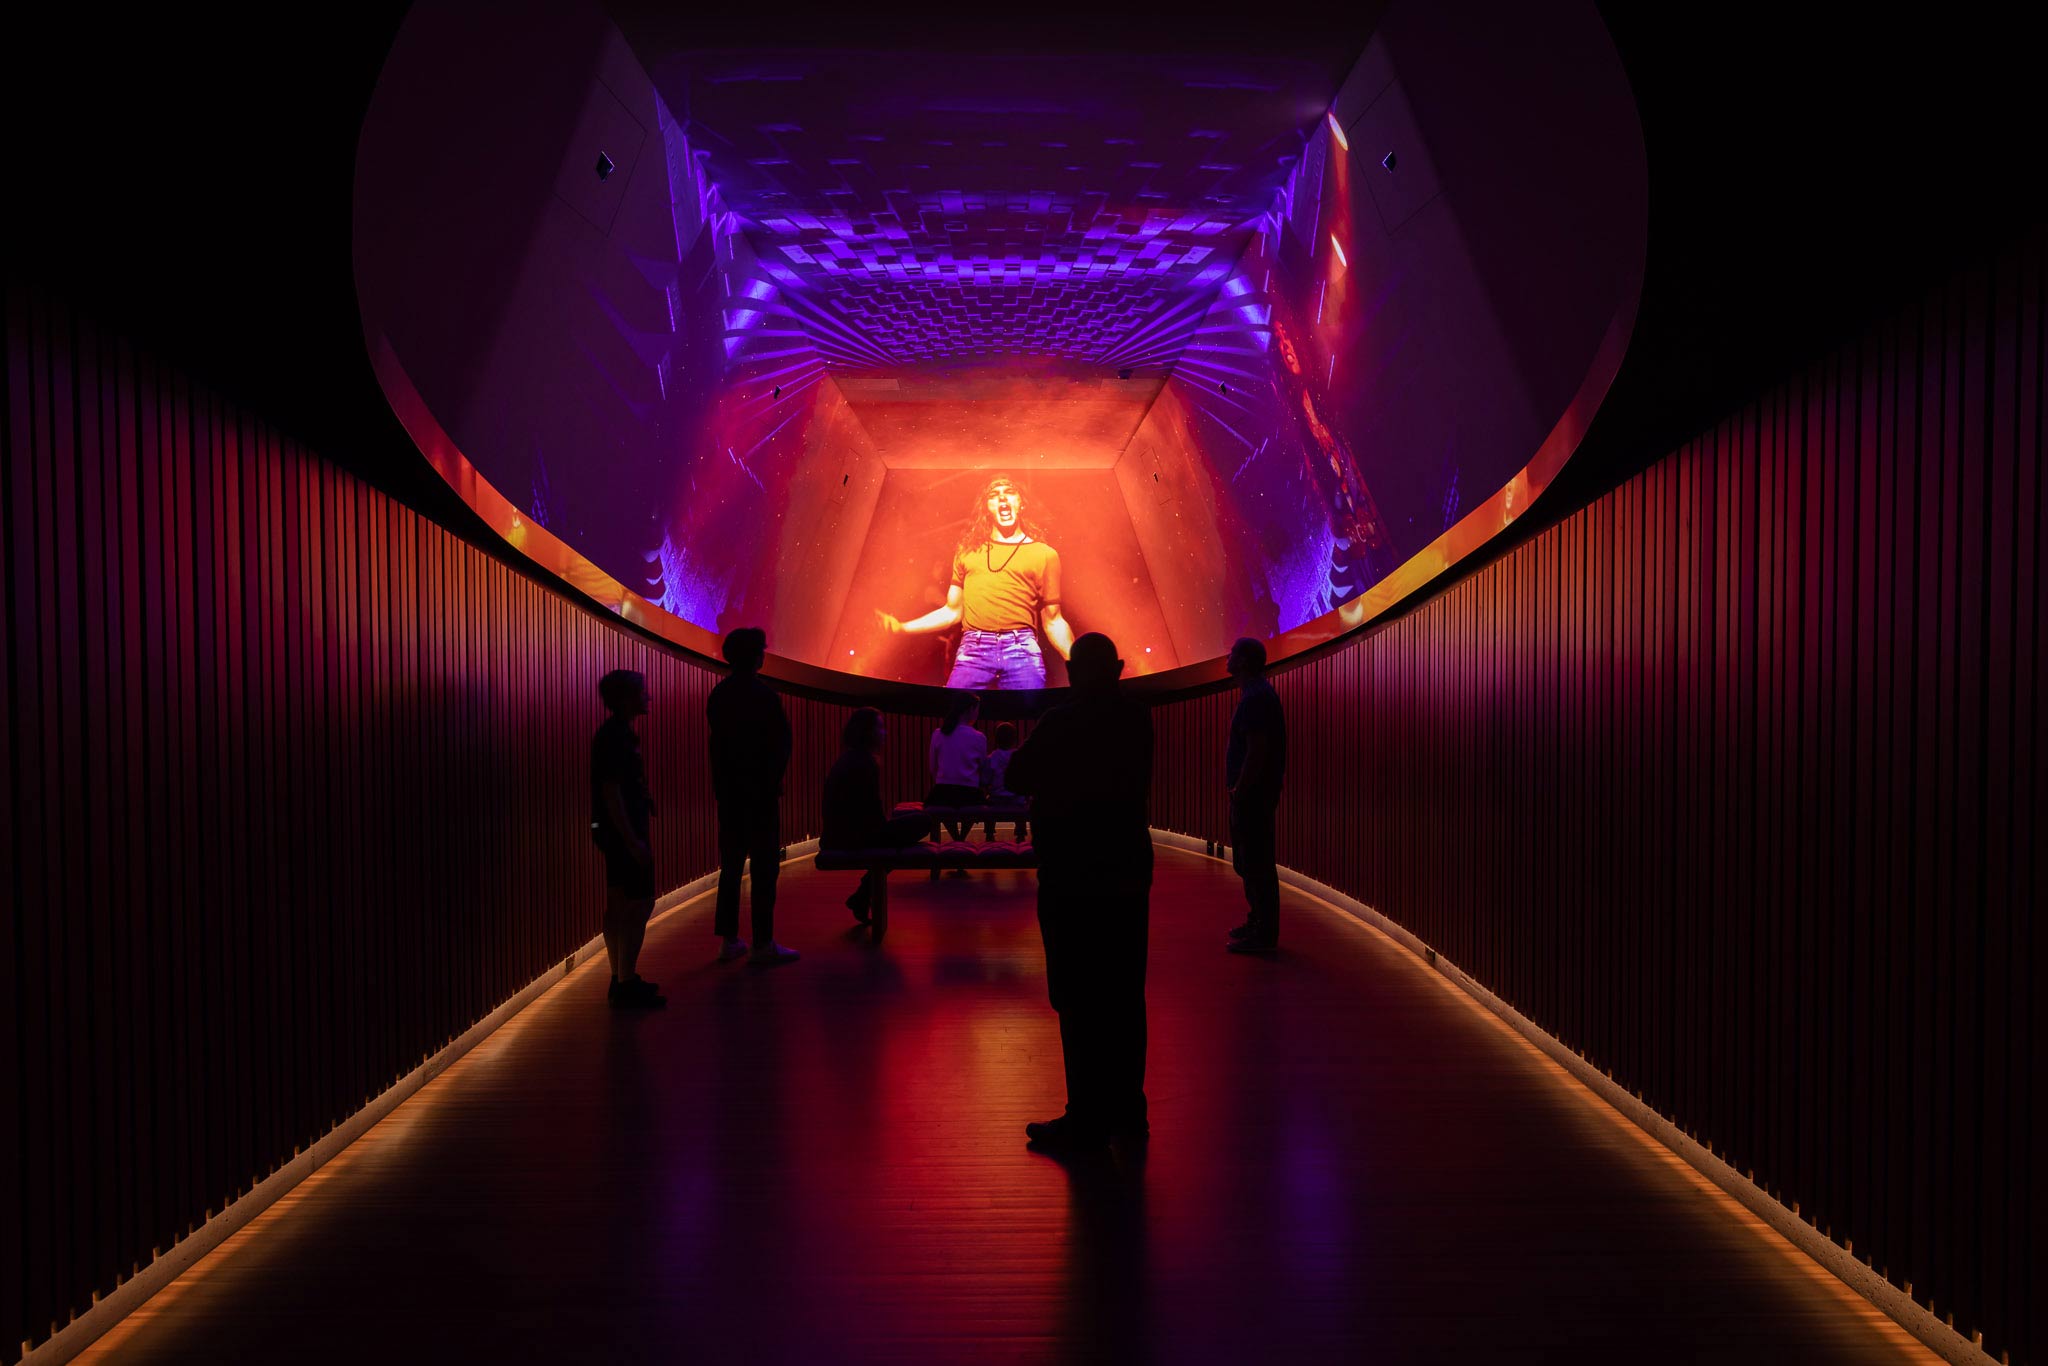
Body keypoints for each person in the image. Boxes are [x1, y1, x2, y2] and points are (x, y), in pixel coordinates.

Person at [1005, 632, 1153, 1153]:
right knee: (1123, 995)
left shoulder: (1060, 723)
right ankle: (1130, 1112)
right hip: (1128, 872)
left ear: (1071, 671)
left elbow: (1017, 773)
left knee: (1077, 996)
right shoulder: (1137, 720)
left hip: (1070, 877)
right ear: (1116, 668)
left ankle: (1085, 1119)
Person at [877, 475, 1075, 688]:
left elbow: (1054, 620)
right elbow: (952, 611)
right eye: (994, 495)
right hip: (974, 649)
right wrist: (902, 628)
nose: (1002, 499)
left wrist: (1080, 663)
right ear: (987, 507)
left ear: (1021, 503)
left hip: (1022, 649)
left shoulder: (1045, 554)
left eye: (1009, 492)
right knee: (955, 714)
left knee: (1026, 718)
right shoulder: (968, 551)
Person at [706, 627, 799, 966]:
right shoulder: (765, 696)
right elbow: (780, 745)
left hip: (730, 795)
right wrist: (773, 781)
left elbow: (718, 749)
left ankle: (728, 940)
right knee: (764, 869)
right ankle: (763, 942)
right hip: (760, 797)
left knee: (730, 868)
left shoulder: (719, 695)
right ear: (755, 657)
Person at [591, 669, 663, 1008]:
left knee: (619, 903)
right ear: (625, 699)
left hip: (613, 833)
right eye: (641, 692)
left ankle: (620, 978)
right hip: (624, 834)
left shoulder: (612, 735)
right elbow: (612, 791)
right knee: (640, 902)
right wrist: (633, 841)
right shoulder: (617, 738)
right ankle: (625, 981)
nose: (647, 697)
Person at [822, 708, 931, 923]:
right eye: (880, 727)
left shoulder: (850, 758)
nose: (885, 733)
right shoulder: (864, 763)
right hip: (854, 835)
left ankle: (862, 896)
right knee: (923, 821)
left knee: (909, 826)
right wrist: (886, 830)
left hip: (841, 832)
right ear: (868, 732)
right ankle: (863, 895)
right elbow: (870, 811)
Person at [1223, 636, 1287, 954]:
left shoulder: (1255, 698)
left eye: (1233, 654)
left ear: (1244, 661)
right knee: (1253, 862)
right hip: (1255, 795)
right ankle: (1258, 922)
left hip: (1252, 797)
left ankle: (1263, 934)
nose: (1228, 657)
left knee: (1256, 863)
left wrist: (1240, 790)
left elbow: (1256, 750)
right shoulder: (1256, 693)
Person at [926, 692, 988, 845]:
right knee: (978, 804)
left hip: (943, 792)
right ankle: (960, 839)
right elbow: (983, 771)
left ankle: (956, 838)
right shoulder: (979, 737)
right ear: (970, 710)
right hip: (970, 793)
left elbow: (932, 767)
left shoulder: (938, 734)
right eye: (977, 709)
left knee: (939, 809)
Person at [982, 721, 1027, 842]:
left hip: (997, 799)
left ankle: (989, 833)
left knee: (988, 801)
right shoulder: (1020, 757)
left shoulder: (991, 758)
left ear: (996, 739)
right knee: (1022, 800)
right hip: (1016, 799)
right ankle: (1021, 833)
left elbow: (985, 780)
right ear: (1014, 739)